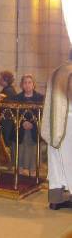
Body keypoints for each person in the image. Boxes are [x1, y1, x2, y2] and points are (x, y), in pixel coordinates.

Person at [41, 62, 72, 210]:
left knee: (56, 164)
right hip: (69, 123)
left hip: (54, 123)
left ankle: (55, 200)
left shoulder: (56, 71)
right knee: (70, 162)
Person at [14, 74, 43, 177]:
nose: (27, 85)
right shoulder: (17, 97)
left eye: (29, 82)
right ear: (22, 85)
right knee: (21, 148)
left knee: (33, 149)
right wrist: (23, 122)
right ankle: (21, 169)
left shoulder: (40, 97)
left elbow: (42, 114)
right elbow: (13, 113)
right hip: (21, 129)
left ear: (33, 84)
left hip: (34, 129)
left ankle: (33, 171)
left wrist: (32, 124)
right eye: (25, 83)